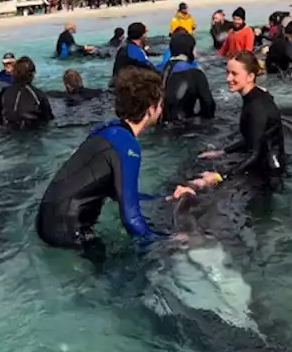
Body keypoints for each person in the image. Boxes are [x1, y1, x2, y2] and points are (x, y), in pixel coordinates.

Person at [35, 67, 194, 257]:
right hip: (68, 232)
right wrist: (169, 241)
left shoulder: (107, 130)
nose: (161, 109)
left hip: (46, 221)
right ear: (151, 108)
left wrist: (165, 197)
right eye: (160, 104)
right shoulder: (127, 146)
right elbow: (131, 220)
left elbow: (119, 193)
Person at [195, 51, 287, 189]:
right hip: (265, 162)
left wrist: (221, 176)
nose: (228, 78)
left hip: (269, 173)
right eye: (227, 72)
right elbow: (255, 138)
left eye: (234, 74)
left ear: (250, 76)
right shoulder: (256, 96)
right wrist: (223, 152)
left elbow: (256, 153)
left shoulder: (257, 107)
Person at [160, 32, 216, 122]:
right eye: (194, 48)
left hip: (161, 124)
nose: (196, 51)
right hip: (185, 128)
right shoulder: (195, 73)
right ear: (189, 49)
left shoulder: (159, 69)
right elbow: (208, 104)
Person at [0, 56, 53, 130]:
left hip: (8, 131)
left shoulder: (5, 92)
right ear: (33, 74)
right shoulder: (39, 94)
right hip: (32, 133)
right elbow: (48, 119)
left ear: (14, 73)